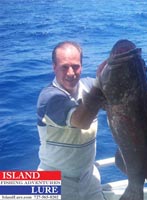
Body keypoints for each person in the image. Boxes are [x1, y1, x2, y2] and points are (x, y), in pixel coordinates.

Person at [36, 41, 106, 200]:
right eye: (64, 67)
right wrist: (100, 84)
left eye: (76, 66)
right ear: (54, 67)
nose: (70, 72)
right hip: (54, 179)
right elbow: (81, 121)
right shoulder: (49, 97)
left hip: (89, 177)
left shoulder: (89, 86)